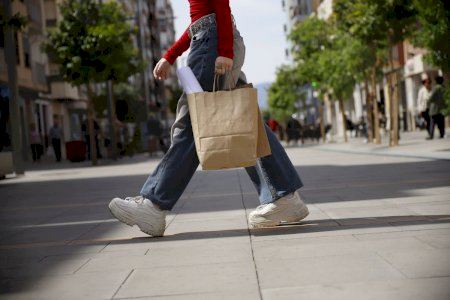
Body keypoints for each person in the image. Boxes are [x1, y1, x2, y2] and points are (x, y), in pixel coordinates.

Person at [109, 0, 309, 237]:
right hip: (212, 40)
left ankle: (154, 205)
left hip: (212, 45)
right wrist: (172, 54)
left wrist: (224, 50)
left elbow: (217, 8)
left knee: (194, 124)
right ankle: (284, 196)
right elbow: (202, 17)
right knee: (242, 121)